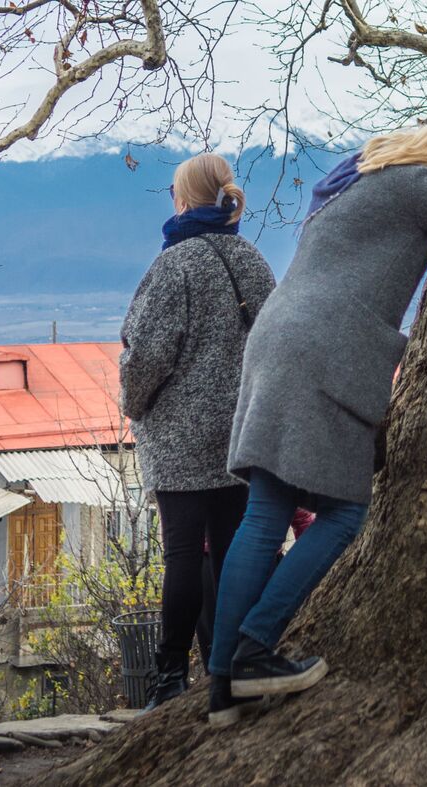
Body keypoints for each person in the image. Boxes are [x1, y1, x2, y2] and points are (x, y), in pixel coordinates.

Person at [206, 51, 427, 727]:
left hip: (278, 340)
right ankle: (255, 648)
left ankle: (223, 685)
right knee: (343, 513)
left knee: (265, 513)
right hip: (325, 352)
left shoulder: (357, 181)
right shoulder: (415, 186)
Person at [118, 152, 276, 711]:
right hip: (238, 432)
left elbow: (146, 357)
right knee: (232, 552)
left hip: (180, 437)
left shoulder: (174, 266)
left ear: (182, 201)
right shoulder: (253, 262)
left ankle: (167, 679)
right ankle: (228, 666)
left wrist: (135, 406)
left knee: (183, 555)